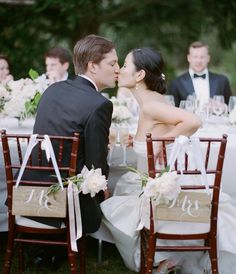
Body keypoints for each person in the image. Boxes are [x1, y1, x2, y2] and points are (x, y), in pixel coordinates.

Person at [96, 47, 201, 273]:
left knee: (108, 203)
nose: (119, 69)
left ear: (140, 75)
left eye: (124, 65)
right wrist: (138, 141)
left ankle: (158, 257)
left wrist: (161, 141)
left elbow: (193, 121)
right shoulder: (150, 101)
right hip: (145, 181)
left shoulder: (151, 104)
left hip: (153, 190)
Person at [24, 34, 120, 266]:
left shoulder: (53, 90)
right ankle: (62, 243)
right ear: (92, 66)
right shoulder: (100, 104)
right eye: (112, 63)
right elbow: (97, 166)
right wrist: (103, 189)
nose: (118, 69)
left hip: (29, 192)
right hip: (66, 201)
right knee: (111, 190)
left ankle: (48, 250)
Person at [168, 41, 232, 107]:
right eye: (195, 57)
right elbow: (171, 110)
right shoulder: (176, 83)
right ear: (189, 58)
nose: (199, 61)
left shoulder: (222, 81)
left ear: (208, 58)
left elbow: (231, 108)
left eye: (202, 57)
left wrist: (222, 107)